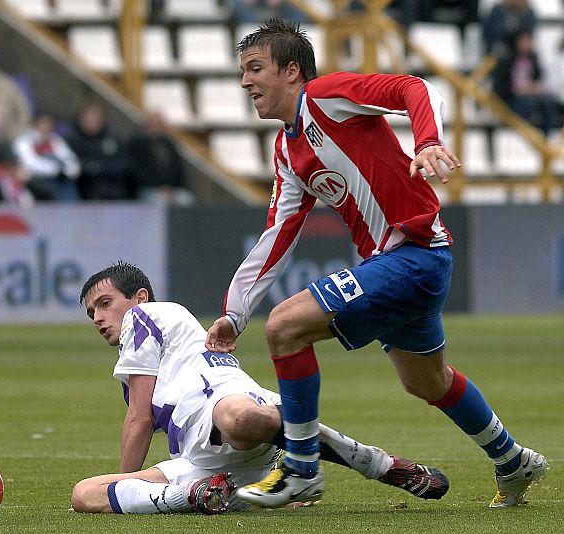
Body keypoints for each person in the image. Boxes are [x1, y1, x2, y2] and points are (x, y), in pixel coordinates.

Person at [203, 18, 548, 509]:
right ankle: (512, 460)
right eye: (243, 71)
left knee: (284, 327)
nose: (245, 82)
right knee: (426, 381)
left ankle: (301, 469)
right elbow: (278, 234)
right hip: (404, 264)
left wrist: (427, 141)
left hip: (415, 255)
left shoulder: (326, 96)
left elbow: (415, 86)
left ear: (292, 70)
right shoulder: (286, 148)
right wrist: (235, 312)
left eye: (255, 68)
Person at [72, 261, 449, 514]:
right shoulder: (151, 357)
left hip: (221, 403)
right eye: (92, 313)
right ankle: (202, 495)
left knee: (239, 420)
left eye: (105, 304)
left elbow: (138, 420)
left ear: (138, 298)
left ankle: (377, 463)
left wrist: (127, 482)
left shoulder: (146, 315)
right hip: (208, 459)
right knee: (84, 495)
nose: (99, 318)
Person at [64, 101, 134, 200]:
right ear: (81, 119)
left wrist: (101, 168)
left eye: (95, 120)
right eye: (88, 120)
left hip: (113, 187)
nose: (92, 123)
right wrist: (90, 168)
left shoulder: (114, 138)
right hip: (82, 188)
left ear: (102, 120)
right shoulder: (72, 139)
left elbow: (124, 163)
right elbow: (70, 164)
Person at [492, 31, 558, 135]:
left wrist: (533, 88)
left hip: (531, 95)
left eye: (528, 41)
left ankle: (546, 137)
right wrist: (516, 90)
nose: (526, 44)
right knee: (529, 103)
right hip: (513, 99)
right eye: (523, 41)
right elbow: (500, 86)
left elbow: (539, 80)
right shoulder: (507, 61)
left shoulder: (534, 60)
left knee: (548, 102)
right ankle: (526, 131)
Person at [127, 111, 195, 207]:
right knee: (159, 201)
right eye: (153, 123)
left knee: (186, 199)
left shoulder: (169, 144)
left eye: (158, 124)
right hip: (148, 189)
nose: (156, 127)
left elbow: (179, 170)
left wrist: (171, 188)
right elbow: (136, 172)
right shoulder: (137, 144)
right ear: (146, 125)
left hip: (172, 189)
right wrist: (159, 187)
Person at [12, 112, 80, 201]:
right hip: (34, 179)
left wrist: (68, 170)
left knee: (70, 186)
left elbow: (69, 159)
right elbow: (30, 163)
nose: (46, 126)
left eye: (49, 124)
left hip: (57, 178)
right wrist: (55, 169)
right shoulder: (24, 141)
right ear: (35, 124)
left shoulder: (56, 140)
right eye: (43, 123)